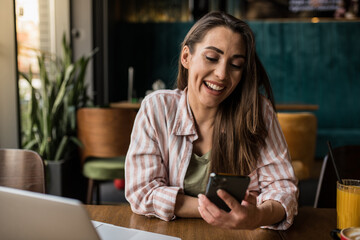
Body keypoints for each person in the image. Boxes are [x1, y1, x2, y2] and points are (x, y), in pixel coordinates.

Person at [125, 11, 298, 230]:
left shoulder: (258, 111)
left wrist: (257, 217)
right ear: (186, 57)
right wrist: (218, 211)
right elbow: (142, 192)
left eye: (235, 64)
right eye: (212, 58)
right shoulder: (156, 108)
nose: (222, 74)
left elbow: (284, 189)